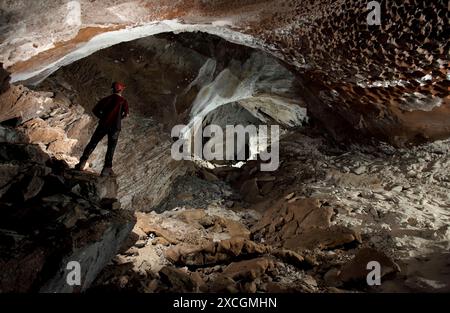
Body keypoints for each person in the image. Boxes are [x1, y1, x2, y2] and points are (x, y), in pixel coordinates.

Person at [75, 82, 129, 176]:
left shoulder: (106, 99)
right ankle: (106, 169)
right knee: (111, 147)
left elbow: (95, 110)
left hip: (103, 124)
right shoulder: (123, 101)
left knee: (93, 142)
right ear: (121, 90)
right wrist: (119, 118)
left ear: (113, 89)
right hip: (115, 127)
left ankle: (81, 163)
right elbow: (126, 114)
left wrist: (103, 117)